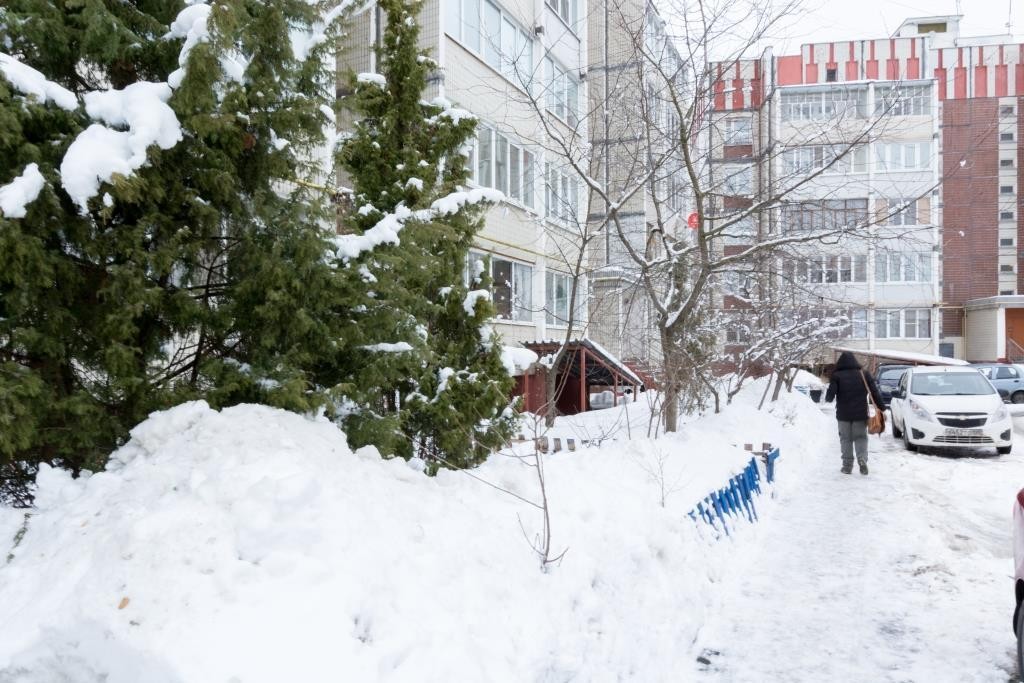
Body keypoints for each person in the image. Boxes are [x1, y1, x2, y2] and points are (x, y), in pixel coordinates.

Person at [824, 351, 885, 475]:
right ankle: (862, 458)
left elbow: (829, 397)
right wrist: (881, 407)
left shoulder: (837, 375)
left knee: (845, 439)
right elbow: (874, 392)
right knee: (861, 438)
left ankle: (847, 466)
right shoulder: (864, 374)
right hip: (860, 414)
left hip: (843, 414)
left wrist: (830, 389)